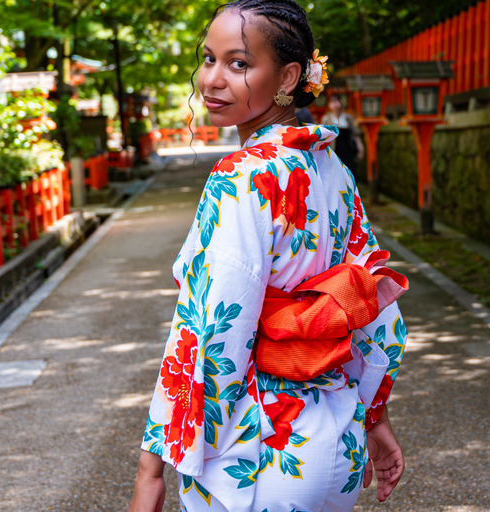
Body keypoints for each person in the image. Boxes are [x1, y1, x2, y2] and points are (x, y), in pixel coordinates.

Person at [128, 1, 408, 511]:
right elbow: (374, 302)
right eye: (208, 58)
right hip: (338, 439)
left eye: (238, 63)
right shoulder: (334, 171)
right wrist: (375, 417)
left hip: (264, 447)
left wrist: (153, 467)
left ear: (289, 77)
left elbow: (210, 330)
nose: (212, 79)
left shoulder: (241, 176)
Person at [321, 95, 364, 177]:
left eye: (338, 101)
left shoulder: (348, 118)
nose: (336, 104)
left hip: (348, 150)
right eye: (333, 102)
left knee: (350, 173)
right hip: (333, 150)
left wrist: (360, 147)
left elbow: (355, 134)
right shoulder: (326, 119)